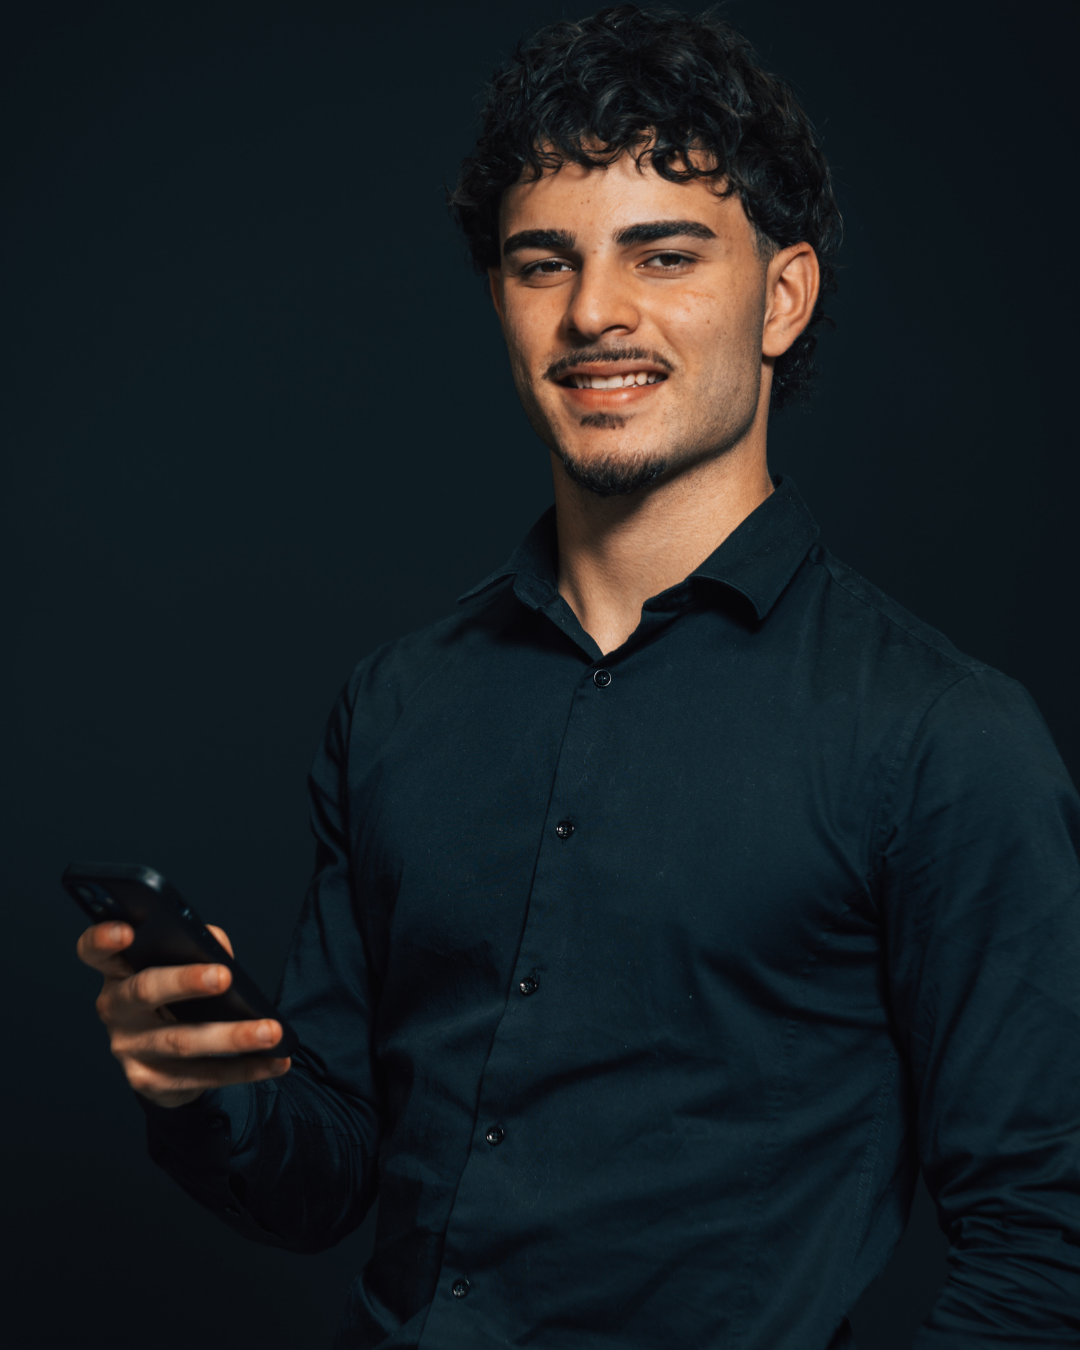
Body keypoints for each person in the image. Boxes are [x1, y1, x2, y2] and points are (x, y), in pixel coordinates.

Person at [77, 7, 1080, 1347]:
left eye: (662, 256)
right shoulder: (396, 705)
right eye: (542, 262)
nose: (594, 311)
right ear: (500, 297)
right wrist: (205, 1082)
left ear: (783, 297)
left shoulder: (946, 740)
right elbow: (327, 1175)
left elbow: (1044, 1244)